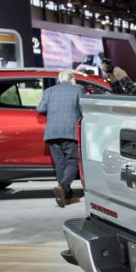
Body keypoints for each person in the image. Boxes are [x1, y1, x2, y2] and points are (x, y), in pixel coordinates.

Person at [36, 69, 84, 207]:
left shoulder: (49, 91)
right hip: (70, 131)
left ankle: (66, 196)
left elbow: (40, 109)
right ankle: (63, 187)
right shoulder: (78, 90)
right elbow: (83, 110)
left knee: (60, 164)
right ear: (72, 78)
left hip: (52, 133)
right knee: (73, 161)